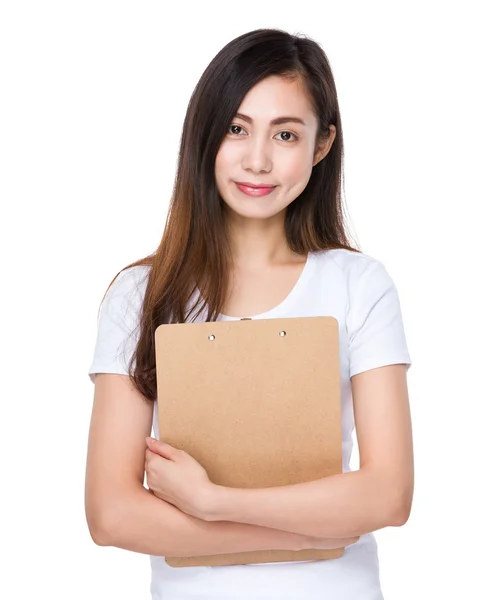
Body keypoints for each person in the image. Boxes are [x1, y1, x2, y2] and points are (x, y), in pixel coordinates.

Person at [85, 28, 414, 600]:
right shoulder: (143, 294)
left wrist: (216, 504)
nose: (258, 160)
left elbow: (388, 495)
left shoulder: (358, 285)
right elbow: (111, 513)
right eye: (237, 128)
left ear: (321, 145)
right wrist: (307, 534)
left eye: (285, 134)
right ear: (204, 134)